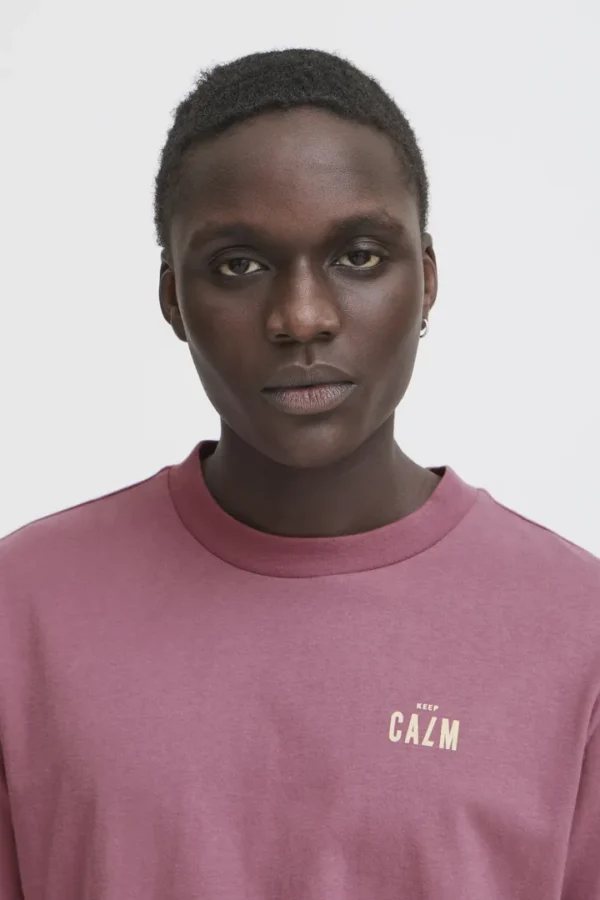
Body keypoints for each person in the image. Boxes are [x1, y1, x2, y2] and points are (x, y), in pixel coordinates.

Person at [0, 47, 598, 900]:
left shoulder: (577, 630)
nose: (302, 318)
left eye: (359, 256)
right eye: (239, 265)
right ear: (172, 299)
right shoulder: (24, 607)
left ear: (427, 281)